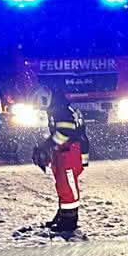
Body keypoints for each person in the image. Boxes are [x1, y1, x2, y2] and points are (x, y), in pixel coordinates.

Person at [32, 87, 92, 235]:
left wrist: (47, 146)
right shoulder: (60, 107)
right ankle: (63, 215)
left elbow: (66, 132)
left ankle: (69, 221)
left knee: (67, 187)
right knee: (62, 185)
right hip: (65, 151)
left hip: (70, 152)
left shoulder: (61, 110)